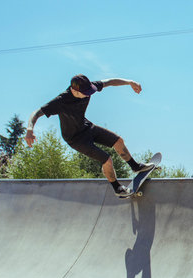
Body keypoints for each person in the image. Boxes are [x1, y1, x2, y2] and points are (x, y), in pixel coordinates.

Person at [25, 74, 154, 197]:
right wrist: (30, 129)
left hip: (87, 127)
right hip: (75, 139)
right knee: (107, 160)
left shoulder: (89, 87)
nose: (88, 95)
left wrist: (130, 82)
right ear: (74, 90)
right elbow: (36, 113)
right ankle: (117, 188)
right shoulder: (61, 101)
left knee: (118, 141)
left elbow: (109, 82)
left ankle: (135, 166)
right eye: (85, 93)